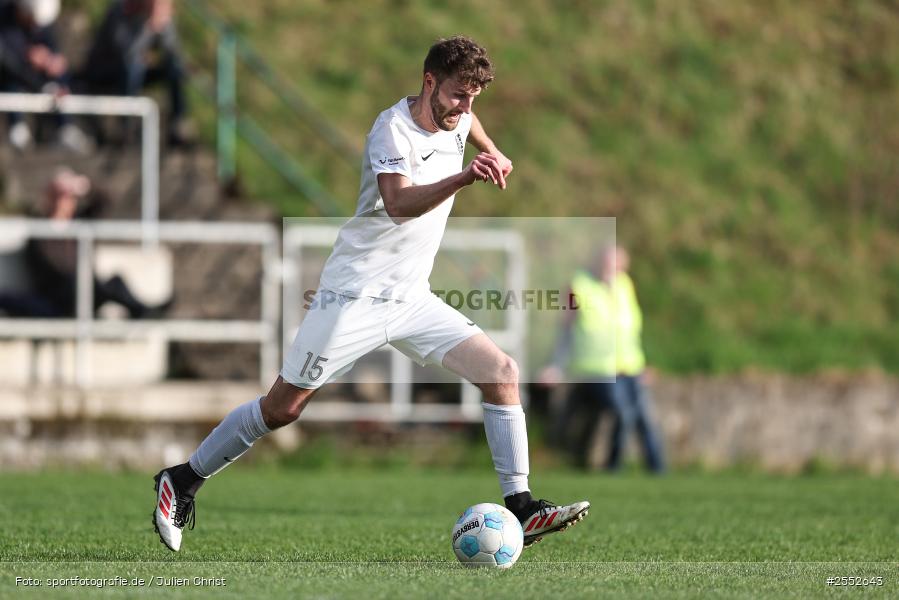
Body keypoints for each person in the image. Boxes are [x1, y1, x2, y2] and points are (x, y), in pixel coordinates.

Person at [152, 36, 589, 553]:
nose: (465, 109)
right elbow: (399, 203)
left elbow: (468, 125)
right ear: (429, 82)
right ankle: (182, 479)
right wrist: (465, 176)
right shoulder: (391, 130)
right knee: (283, 407)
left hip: (411, 298)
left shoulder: (460, 116)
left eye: (474, 98)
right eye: (457, 96)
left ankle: (521, 505)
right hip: (352, 295)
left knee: (502, 373)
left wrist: (492, 150)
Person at [541, 245, 665, 473]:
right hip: (596, 371)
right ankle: (613, 468)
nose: (614, 270)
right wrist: (556, 365)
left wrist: (646, 362)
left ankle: (659, 472)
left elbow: (631, 329)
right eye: (610, 264)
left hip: (630, 367)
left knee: (646, 419)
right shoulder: (578, 286)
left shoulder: (625, 285)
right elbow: (565, 330)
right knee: (623, 413)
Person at [0, 167, 169, 319]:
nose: (64, 202)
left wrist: (85, 186)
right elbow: (49, 269)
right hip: (56, 299)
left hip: (86, 293)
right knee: (74, 282)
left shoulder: (81, 223)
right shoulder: (39, 230)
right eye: (60, 196)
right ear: (50, 198)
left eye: (69, 197)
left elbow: (105, 201)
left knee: (114, 283)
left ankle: (143, 312)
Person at [80, 0, 189, 145]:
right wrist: (149, 28)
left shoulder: (159, 14)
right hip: (105, 71)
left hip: (136, 70)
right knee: (134, 66)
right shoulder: (120, 11)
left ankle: (177, 123)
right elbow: (126, 53)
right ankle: (126, 124)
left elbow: (174, 54)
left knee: (174, 68)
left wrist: (164, 28)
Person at [0, 0, 91, 152]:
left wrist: (52, 60)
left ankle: (65, 127)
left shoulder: (42, 23)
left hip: (36, 74)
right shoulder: (4, 17)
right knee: (11, 79)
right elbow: (9, 59)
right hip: (10, 75)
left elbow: (51, 47)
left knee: (59, 76)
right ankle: (17, 126)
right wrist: (28, 55)